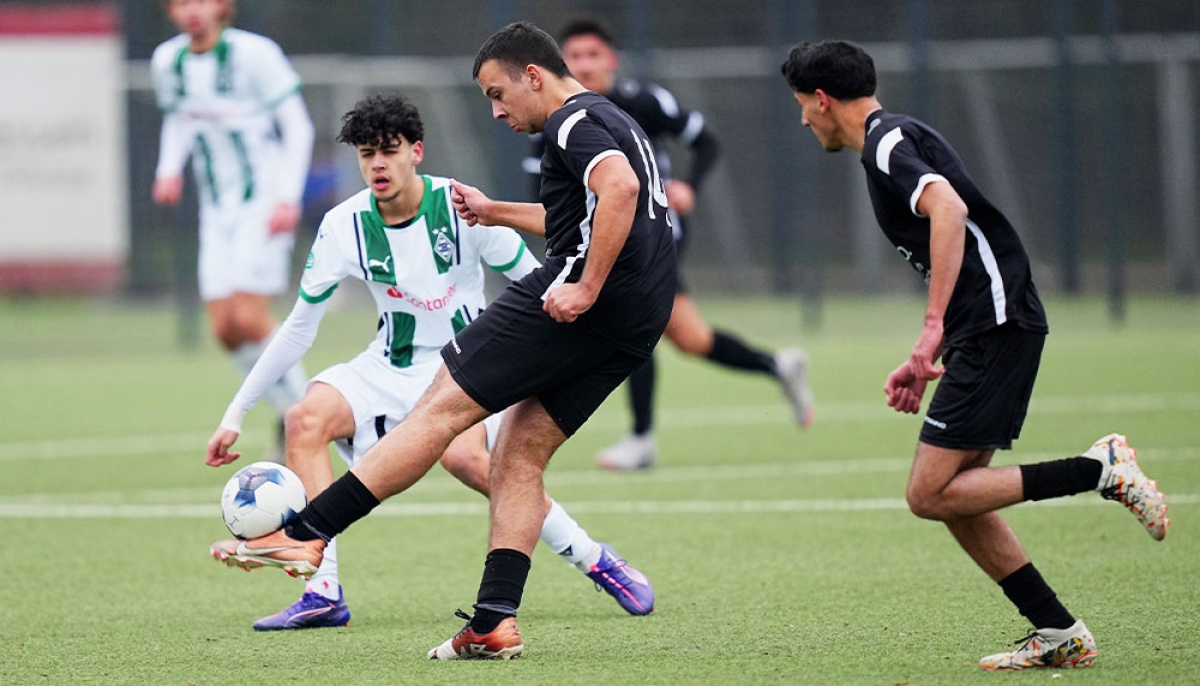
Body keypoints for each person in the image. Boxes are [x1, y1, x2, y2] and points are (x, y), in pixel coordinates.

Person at [209, 22, 677, 660]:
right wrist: (498, 209)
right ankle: (492, 621)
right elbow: (594, 209)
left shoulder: (568, 124)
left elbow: (617, 190)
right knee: (516, 455)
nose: (497, 110)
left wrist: (588, 284)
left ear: (532, 76)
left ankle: (307, 531)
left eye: (497, 93)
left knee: (440, 414)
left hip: (586, 299)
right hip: (639, 318)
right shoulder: (612, 117)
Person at [779, 40, 1169, 671]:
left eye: (802, 106)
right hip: (990, 324)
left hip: (994, 322)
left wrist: (932, 329)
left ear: (822, 100)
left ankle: (1099, 469)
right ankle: (1057, 631)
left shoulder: (883, 143)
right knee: (959, 494)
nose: (802, 120)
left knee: (929, 495)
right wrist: (937, 339)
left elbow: (949, 209)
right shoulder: (894, 137)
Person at [524, 17, 813, 470]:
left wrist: (688, 187)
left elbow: (706, 142)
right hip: (598, 238)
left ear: (611, 60)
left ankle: (641, 438)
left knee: (629, 322)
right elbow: (540, 193)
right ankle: (777, 366)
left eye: (592, 55)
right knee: (691, 338)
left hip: (652, 234)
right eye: (574, 57)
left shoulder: (642, 101)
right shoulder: (552, 120)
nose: (584, 63)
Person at [151, 0, 312, 457]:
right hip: (216, 210)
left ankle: (305, 414)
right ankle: (289, 412)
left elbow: (296, 126)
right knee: (224, 328)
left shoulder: (256, 54)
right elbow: (179, 119)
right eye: (182, 3)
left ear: (223, 5)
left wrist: (288, 196)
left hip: (262, 203)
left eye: (201, 0)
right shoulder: (169, 61)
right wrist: (169, 170)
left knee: (248, 315)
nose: (192, 11)